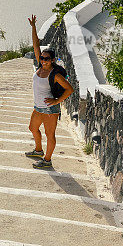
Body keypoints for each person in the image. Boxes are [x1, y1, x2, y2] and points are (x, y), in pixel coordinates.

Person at [25, 15, 74, 170]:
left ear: (52, 60)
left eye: (46, 58)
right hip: (38, 107)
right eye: (42, 58)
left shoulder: (55, 74)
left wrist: (56, 101)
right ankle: (38, 150)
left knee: (50, 135)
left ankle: (47, 160)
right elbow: (35, 45)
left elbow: (69, 89)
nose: (43, 60)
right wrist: (33, 27)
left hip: (49, 109)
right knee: (32, 128)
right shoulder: (40, 67)